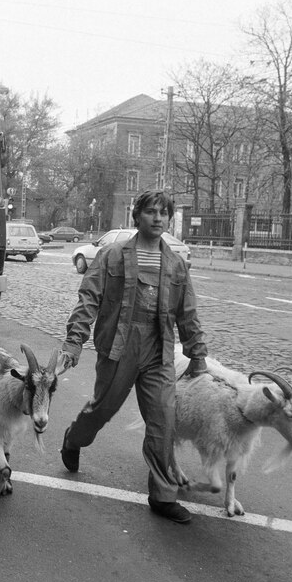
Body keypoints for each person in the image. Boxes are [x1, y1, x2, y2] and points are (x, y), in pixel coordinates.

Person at [59, 189, 208, 525]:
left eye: (164, 213)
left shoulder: (176, 265)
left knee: (164, 420)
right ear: (137, 216)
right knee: (102, 410)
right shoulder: (112, 255)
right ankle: (74, 438)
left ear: (170, 220)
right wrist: (74, 342)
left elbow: (188, 314)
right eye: (151, 212)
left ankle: (163, 496)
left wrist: (197, 355)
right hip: (118, 348)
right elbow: (89, 299)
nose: (158, 218)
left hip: (158, 352)